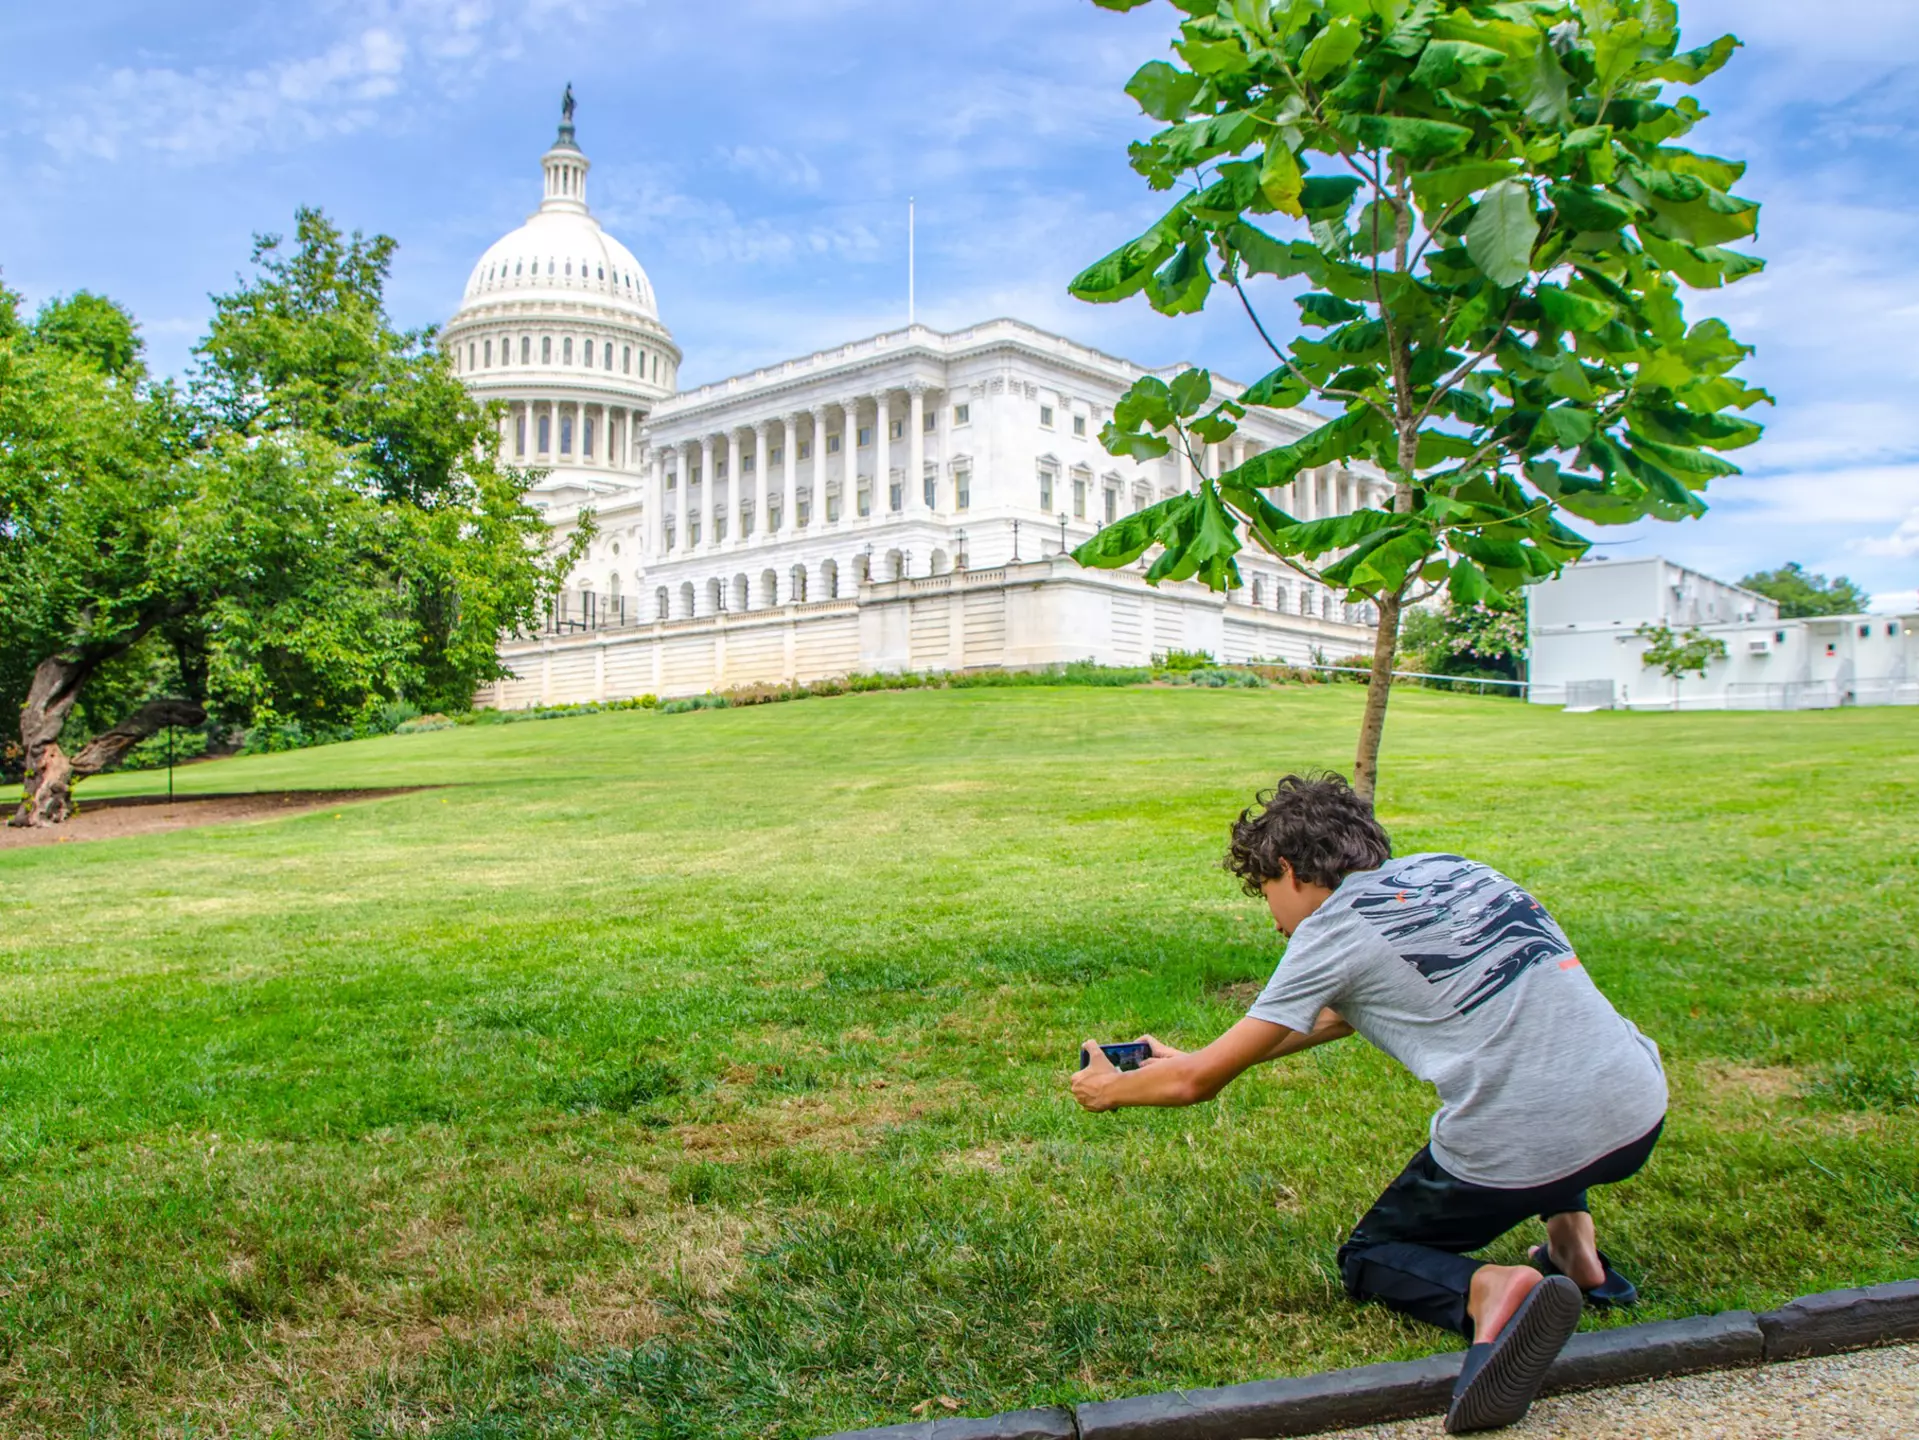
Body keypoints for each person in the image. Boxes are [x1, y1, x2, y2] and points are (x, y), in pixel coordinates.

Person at [1069, 773, 1667, 1435]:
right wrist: (1208, 1054)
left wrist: (1112, 1088)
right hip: (1636, 1107)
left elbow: (1193, 1087)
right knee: (1536, 1064)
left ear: (1289, 871)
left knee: (1371, 1254)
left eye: (1264, 891)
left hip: (1524, 1142)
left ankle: (1496, 1292)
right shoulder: (1454, 870)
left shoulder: (1329, 929)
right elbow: (1343, 1017)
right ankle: (1575, 1257)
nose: (1270, 914)